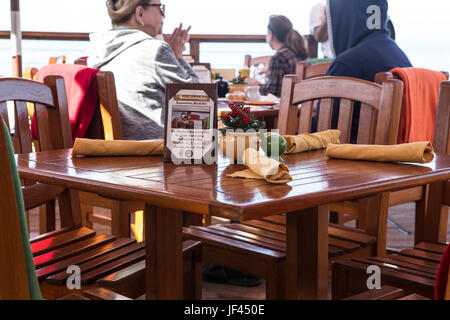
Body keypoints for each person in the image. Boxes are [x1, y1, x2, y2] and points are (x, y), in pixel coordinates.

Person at [88, 0, 199, 140]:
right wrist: (177, 55)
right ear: (140, 13)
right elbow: (198, 97)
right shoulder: (154, 49)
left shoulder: (97, 51)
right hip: (153, 150)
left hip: (117, 150)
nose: (163, 17)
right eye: (161, 9)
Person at [312, 0, 412, 142]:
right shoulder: (402, 57)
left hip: (351, 158)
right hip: (401, 155)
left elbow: (322, 128)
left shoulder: (346, 64)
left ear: (343, 19)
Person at [246, 15, 309, 98]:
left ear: (270, 34)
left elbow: (272, 92)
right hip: (299, 104)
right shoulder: (295, 52)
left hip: (284, 107)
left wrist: (255, 84)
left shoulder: (278, 58)